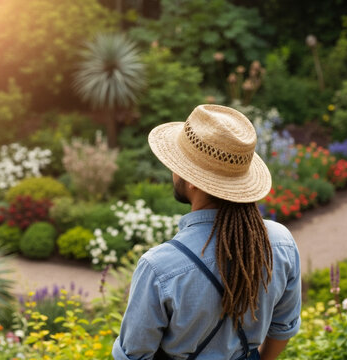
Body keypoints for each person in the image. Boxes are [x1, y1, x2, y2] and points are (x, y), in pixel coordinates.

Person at [112, 104, 301, 360]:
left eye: (177, 162)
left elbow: (133, 356)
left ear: (192, 180)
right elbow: (283, 327)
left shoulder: (159, 267)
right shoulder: (279, 242)